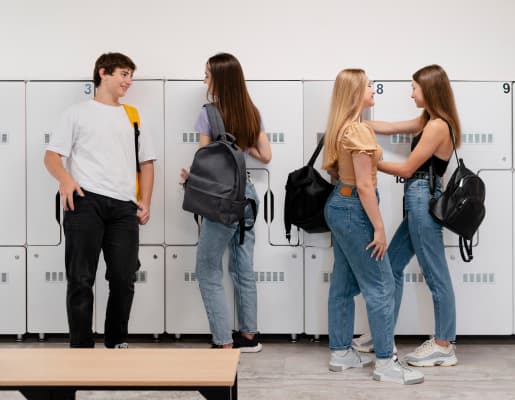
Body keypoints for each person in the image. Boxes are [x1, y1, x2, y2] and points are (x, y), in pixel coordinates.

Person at [44, 52, 156, 348]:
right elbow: (52, 156)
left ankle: (116, 341)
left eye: (130, 75)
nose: (128, 81)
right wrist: (65, 179)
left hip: (123, 206)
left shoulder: (133, 116)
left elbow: (147, 162)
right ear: (103, 73)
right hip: (85, 202)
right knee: (80, 279)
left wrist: (146, 201)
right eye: (123, 74)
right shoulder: (76, 113)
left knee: (123, 277)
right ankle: (81, 348)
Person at [322, 69, 424, 385]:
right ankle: (385, 363)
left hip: (339, 204)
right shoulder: (359, 132)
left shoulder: (343, 128)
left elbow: (343, 176)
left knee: (342, 284)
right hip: (355, 209)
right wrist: (379, 227)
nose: (373, 90)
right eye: (368, 86)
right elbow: (365, 185)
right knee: (381, 286)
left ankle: (340, 354)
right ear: (355, 93)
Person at [357, 64, 459, 367]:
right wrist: (359, 124)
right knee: (392, 264)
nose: (411, 92)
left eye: (414, 87)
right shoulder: (428, 120)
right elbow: (391, 126)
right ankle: (383, 333)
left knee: (435, 273)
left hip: (422, 199)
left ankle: (444, 344)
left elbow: (405, 169)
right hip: (417, 199)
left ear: (428, 89)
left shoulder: (439, 125)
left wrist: (369, 160)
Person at [181, 53, 271, 352]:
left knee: (207, 269)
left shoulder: (209, 112)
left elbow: (205, 161)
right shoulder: (251, 111)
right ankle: (249, 337)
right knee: (243, 267)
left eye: (207, 74)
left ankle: (223, 342)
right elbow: (266, 155)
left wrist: (189, 177)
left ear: (219, 78)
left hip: (221, 199)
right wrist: (240, 145)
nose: (204, 79)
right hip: (247, 196)